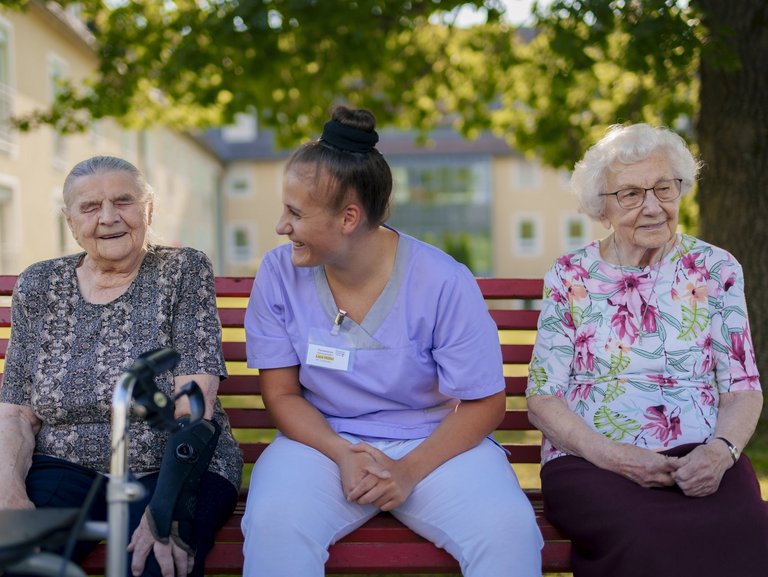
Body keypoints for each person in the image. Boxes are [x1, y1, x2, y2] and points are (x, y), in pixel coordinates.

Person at [241, 105, 543, 577]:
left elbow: (485, 403)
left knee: (509, 533)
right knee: (274, 525)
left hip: (435, 445)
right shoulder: (279, 274)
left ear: (348, 218)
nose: (282, 226)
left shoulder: (442, 281)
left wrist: (407, 471)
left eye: (295, 213)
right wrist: (341, 453)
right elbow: (280, 394)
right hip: (322, 445)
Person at [526, 123, 768, 577]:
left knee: (748, 527)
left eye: (664, 188)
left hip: (701, 453)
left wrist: (721, 451)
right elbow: (541, 399)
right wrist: (613, 456)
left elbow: (742, 388)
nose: (654, 206)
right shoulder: (570, 275)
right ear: (603, 207)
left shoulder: (716, 268)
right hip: (593, 459)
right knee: (642, 535)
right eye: (632, 194)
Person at [0, 156, 243, 577]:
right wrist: (8, 492)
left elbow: (193, 403)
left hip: (168, 464)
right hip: (64, 463)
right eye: (90, 207)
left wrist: (167, 507)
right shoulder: (39, 285)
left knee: (157, 564)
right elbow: (17, 412)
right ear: (70, 221)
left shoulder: (182, 271)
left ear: (148, 209)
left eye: (124, 202)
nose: (109, 218)